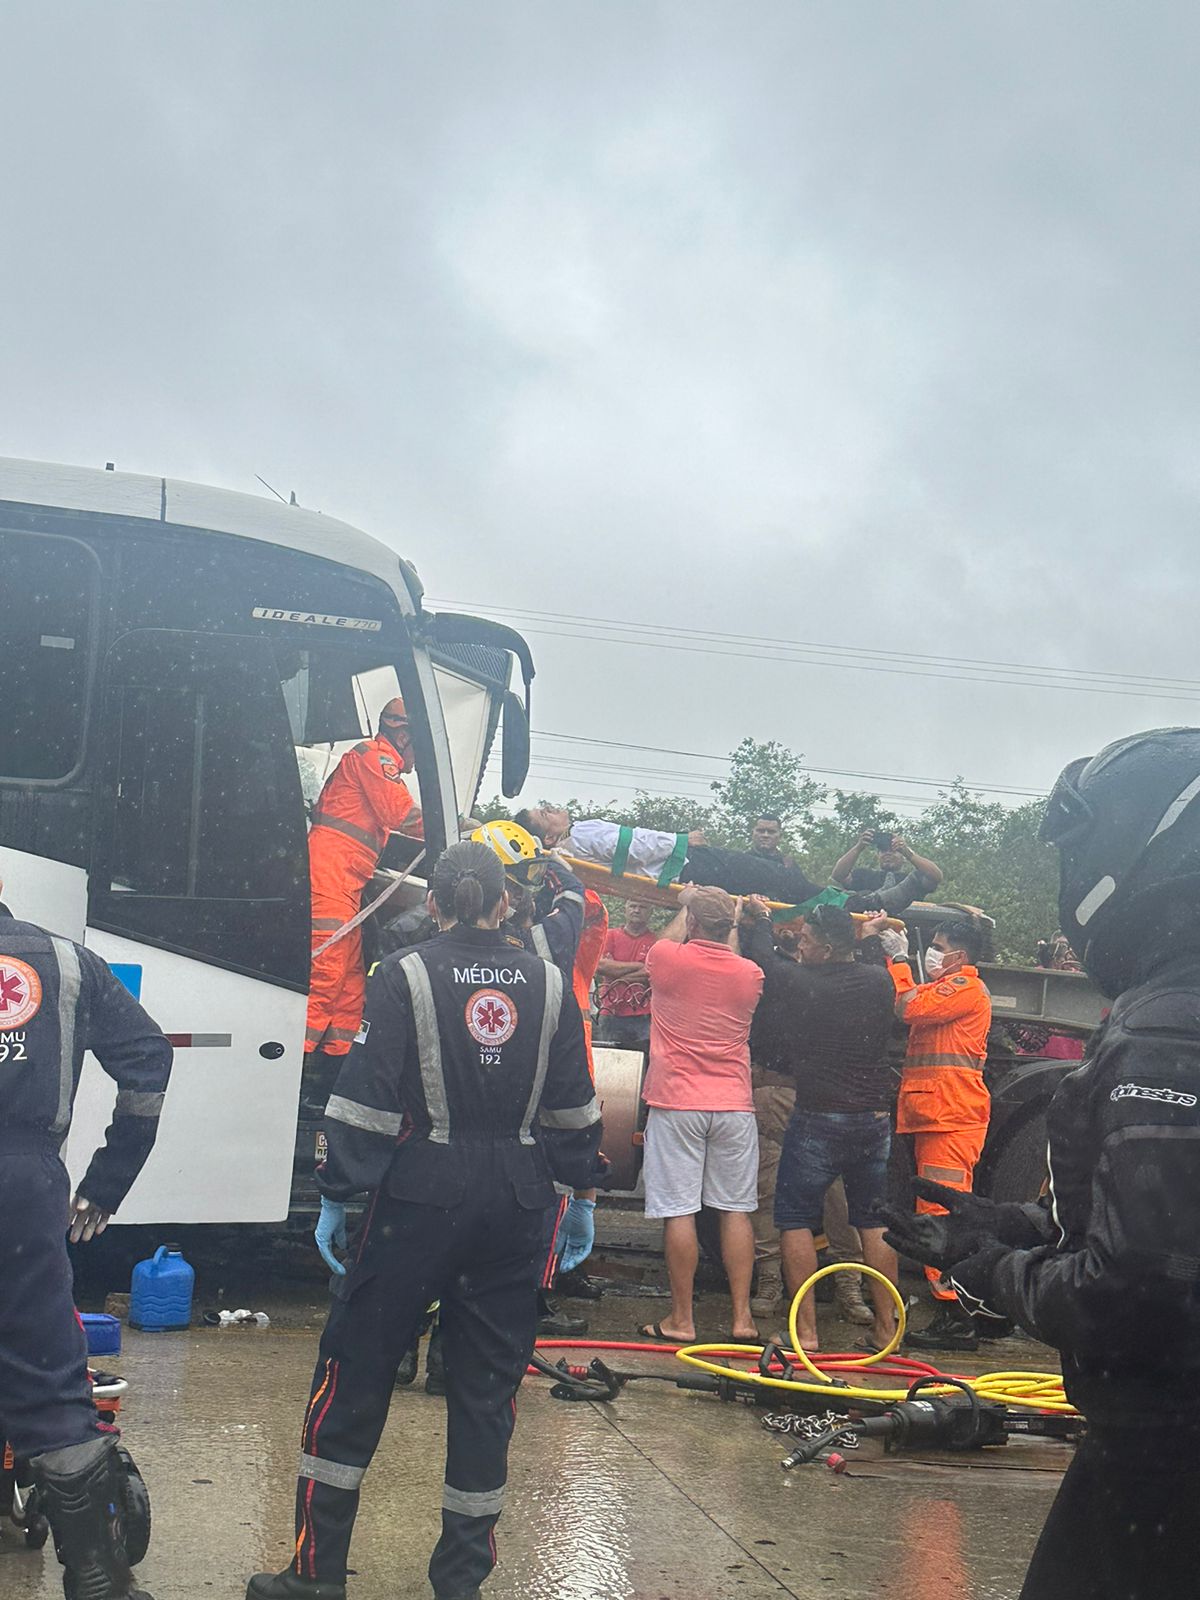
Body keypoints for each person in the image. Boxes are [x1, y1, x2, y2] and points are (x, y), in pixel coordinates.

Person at [882, 728, 1200, 1600]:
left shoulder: (1170, 1029)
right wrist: (1018, 1223)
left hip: (1163, 1449)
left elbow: (1137, 1290)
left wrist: (996, 1272)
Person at [248, 842, 604, 1600]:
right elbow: (574, 1104)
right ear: (504, 903)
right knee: (485, 1393)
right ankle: (460, 1585)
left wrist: (340, 1193)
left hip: (416, 1201)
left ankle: (315, 1576)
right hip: (518, 1203)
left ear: (435, 902)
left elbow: (365, 1102)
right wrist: (582, 1195)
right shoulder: (546, 980)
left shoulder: (402, 974)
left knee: (355, 1372)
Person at [0, 876, 173, 1600]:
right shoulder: (68, 961)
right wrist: (108, 1178)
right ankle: (97, 1576)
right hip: (24, 1187)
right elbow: (148, 1058)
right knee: (47, 1374)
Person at [738, 900, 900, 1351]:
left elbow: (763, 957)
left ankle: (806, 1333)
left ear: (826, 949)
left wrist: (759, 917)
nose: (800, 945)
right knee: (873, 1222)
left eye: (807, 940)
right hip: (872, 1120)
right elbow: (866, 955)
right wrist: (870, 933)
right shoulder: (878, 979)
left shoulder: (804, 983)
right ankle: (887, 1330)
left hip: (819, 1119)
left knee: (793, 1220)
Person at [473, 821, 600, 1331]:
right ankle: (522, 1304)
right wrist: (563, 874)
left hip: (459, 1115)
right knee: (524, 1215)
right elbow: (573, 910)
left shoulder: (423, 944)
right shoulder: (539, 943)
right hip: (523, 1109)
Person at [636, 885, 763, 1343]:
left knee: (680, 1211)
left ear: (692, 923)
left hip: (677, 1102)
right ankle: (742, 1320)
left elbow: (669, 942)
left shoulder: (668, 958)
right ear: (730, 927)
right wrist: (730, 912)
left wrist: (686, 902)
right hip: (733, 1105)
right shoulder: (750, 973)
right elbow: (724, 956)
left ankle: (682, 1320)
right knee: (735, 1211)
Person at [875, 914, 992, 1351]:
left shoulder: (964, 988)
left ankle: (957, 1313)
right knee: (936, 1210)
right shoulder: (954, 987)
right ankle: (956, 1309)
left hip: (951, 1116)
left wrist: (899, 960)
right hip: (941, 1113)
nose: (934, 952)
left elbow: (909, 1007)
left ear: (959, 955)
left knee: (942, 1215)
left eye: (939, 946)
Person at [516, 805, 929, 914]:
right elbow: (634, 844)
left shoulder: (566, 855)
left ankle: (858, 900)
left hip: (682, 871)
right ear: (549, 833)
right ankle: (864, 902)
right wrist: (683, 839)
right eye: (545, 814)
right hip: (687, 863)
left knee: (776, 886)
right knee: (783, 882)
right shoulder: (581, 834)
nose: (553, 810)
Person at [306, 696, 423, 1056]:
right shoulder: (375, 757)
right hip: (330, 874)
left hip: (346, 879)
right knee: (326, 974)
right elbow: (400, 814)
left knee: (351, 981)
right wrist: (458, 829)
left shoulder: (375, 758)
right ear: (403, 735)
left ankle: (337, 1064)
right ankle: (295, 1068)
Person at [594, 899, 657, 1048]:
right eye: (633, 906)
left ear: (650, 912)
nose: (636, 910)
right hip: (610, 1010)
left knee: (643, 1061)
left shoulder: (655, 941)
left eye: (642, 906)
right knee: (607, 1058)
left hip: (644, 1013)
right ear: (625, 909)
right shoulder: (610, 935)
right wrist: (640, 966)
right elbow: (600, 965)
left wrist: (617, 973)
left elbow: (652, 973)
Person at [830, 829, 943, 897]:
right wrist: (858, 847)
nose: (888, 853)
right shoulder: (863, 876)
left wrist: (908, 852)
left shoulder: (913, 879)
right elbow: (838, 875)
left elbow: (936, 876)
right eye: (883, 850)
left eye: (894, 850)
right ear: (878, 855)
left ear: (903, 857)